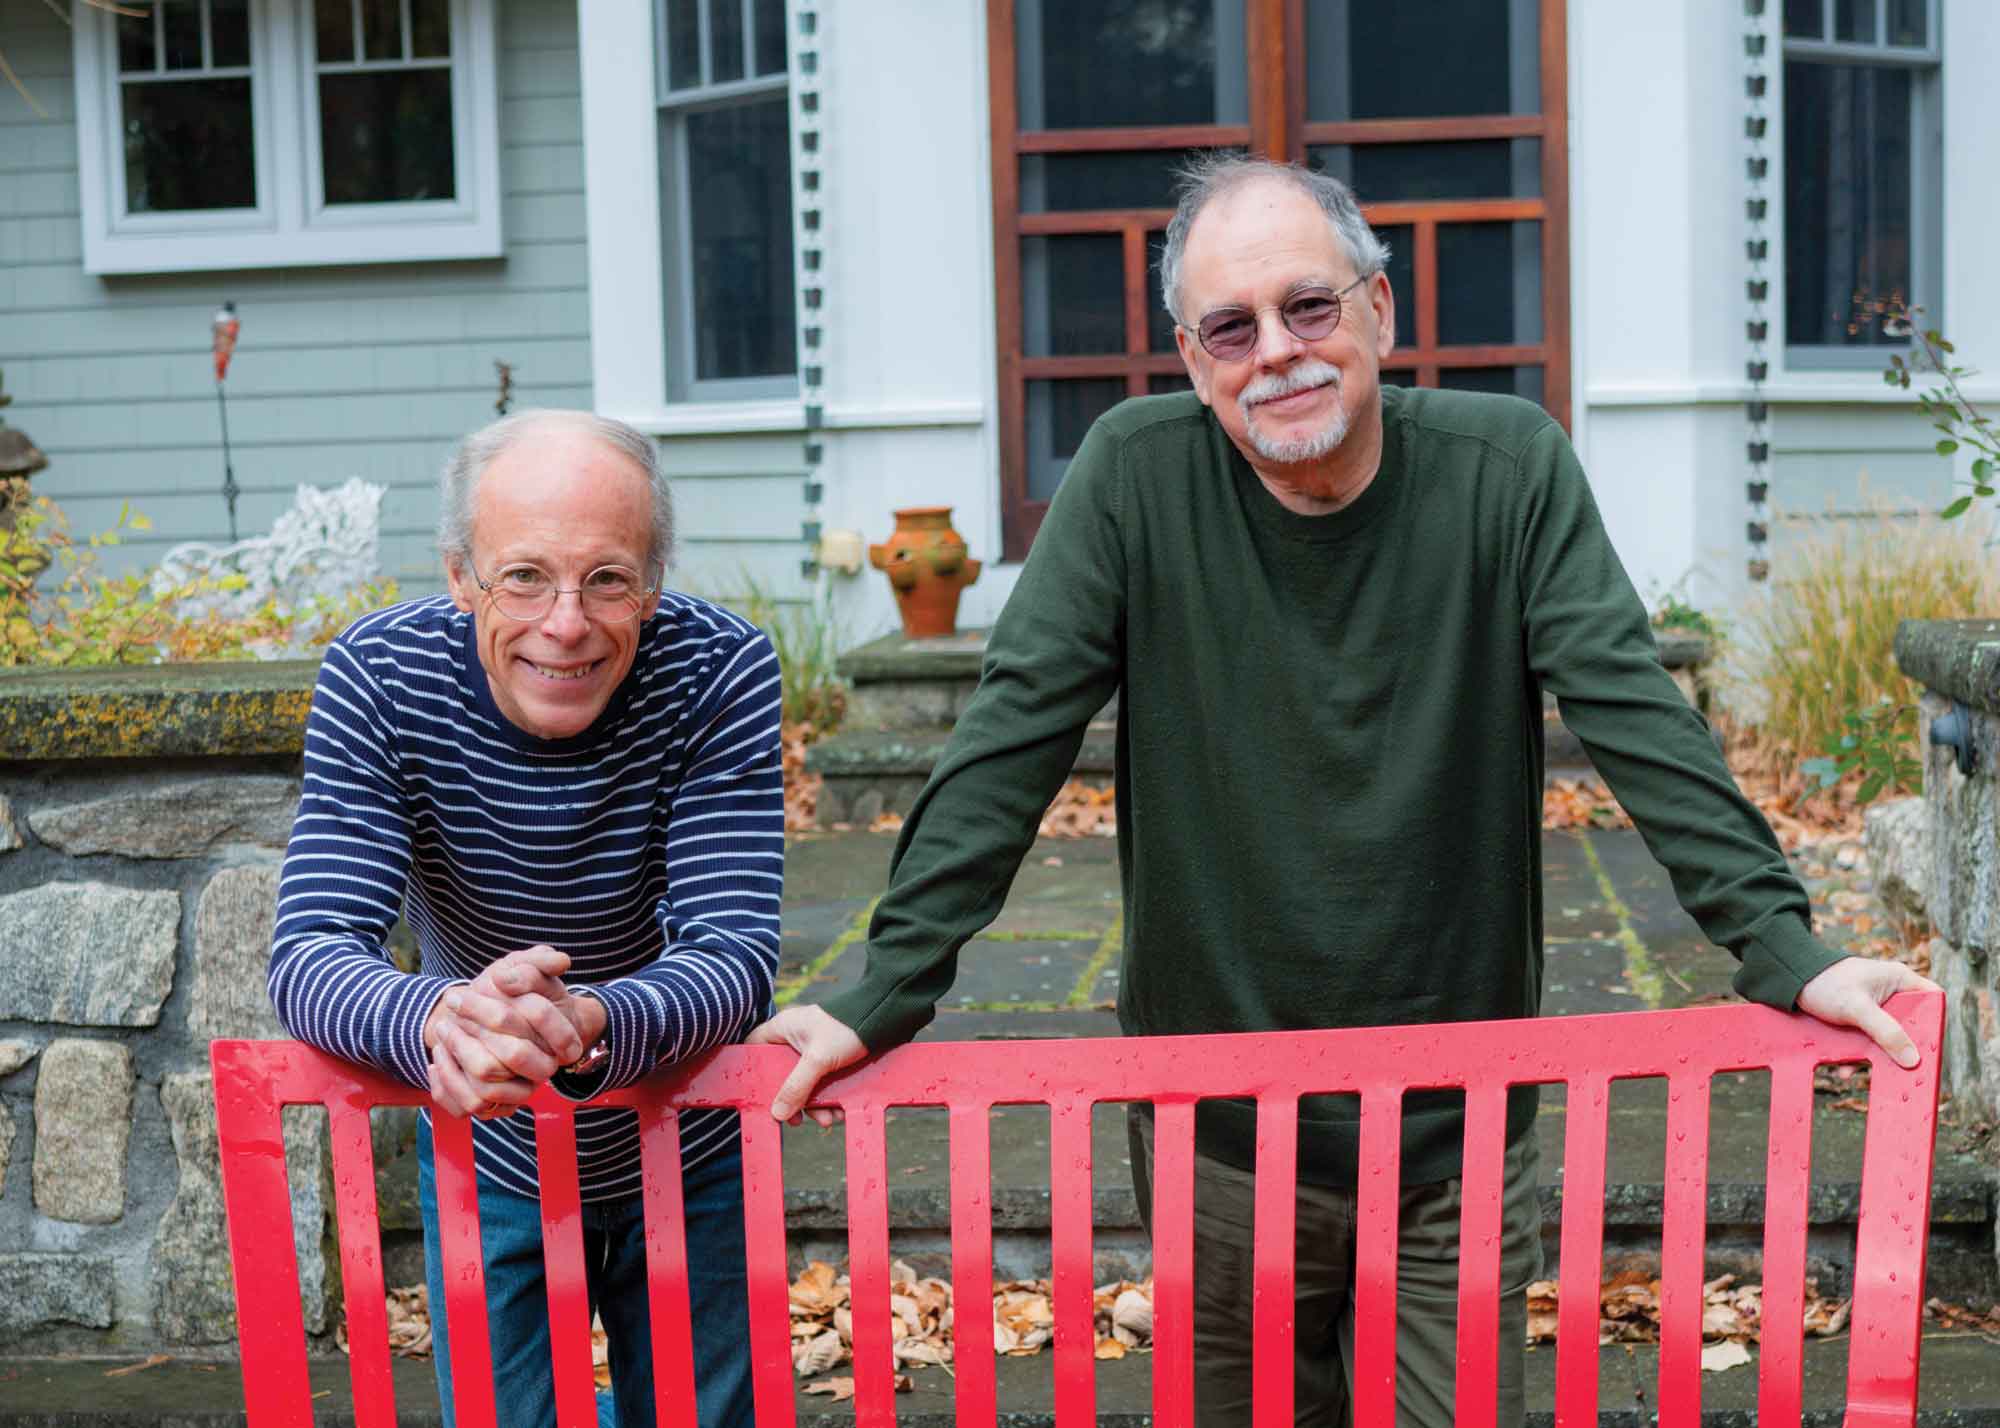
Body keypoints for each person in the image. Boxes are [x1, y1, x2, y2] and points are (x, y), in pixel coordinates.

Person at [748, 157, 1936, 1427]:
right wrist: (881, 990)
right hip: (1215, 1132)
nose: (1275, 352)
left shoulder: (1506, 470)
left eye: (1307, 307)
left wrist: (1780, 942)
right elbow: (1007, 738)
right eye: (1230, 327)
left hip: (1457, 1132)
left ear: (1379, 309)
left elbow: (1631, 708)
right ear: (1193, 360)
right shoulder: (1132, 476)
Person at [268, 409, 783, 1428]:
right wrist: (441, 1021)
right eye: (523, 578)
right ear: (460, 577)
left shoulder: (721, 670)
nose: (565, 622)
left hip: (689, 1135)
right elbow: (311, 951)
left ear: (654, 580)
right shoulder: (378, 677)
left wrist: (583, 1020)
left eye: (606, 578)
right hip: (486, 1143)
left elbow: (732, 958)